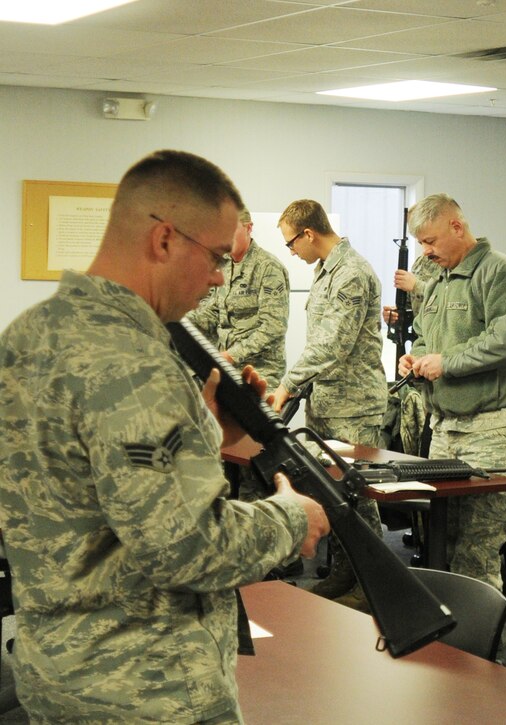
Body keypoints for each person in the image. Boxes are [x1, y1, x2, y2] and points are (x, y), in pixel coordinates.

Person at [0, 149, 329, 722]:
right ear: (165, 240)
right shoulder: (136, 362)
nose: (219, 277)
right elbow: (188, 546)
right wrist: (293, 516)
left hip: (59, 672)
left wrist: (205, 430)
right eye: (216, 256)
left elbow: (90, 489)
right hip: (149, 689)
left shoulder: (30, 335)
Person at [397, 194, 506, 590]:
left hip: (491, 431)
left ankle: (481, 651)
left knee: (476, 552)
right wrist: (416, 359)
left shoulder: (500, 273)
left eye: (431, 241)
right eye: (421, 243)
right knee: (441, 544)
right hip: (446, 430)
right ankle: (448, 648)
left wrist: (447, 362)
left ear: (457, 227)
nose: (426, 251)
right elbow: (424, 335)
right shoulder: (438, 280)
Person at [269, 199, 386, 602]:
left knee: (359, 499)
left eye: (290, 243)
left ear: (308, 234)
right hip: (327, 402)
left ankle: (373, 587)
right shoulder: (324, 272)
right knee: (334, 498)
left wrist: (287, 384)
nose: (290, 252)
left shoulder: (352, 273)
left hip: (354, 407)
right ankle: (343, 573)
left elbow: (333, 343)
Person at [186, 206, 290, 389]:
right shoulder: (223, 264)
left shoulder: (268, 268)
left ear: (248, 228)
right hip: (225, 366)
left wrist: (231, 355)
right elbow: (214, 311)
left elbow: (273, 327)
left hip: (260, 371)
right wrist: (180, 322)